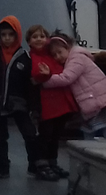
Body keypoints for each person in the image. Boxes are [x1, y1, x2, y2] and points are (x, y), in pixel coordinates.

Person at [0, 15, 48, 180]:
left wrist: (34, 107)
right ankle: (3, 166)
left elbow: (31, 85)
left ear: (17, 35)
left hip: (19, 103)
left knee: (29, 134)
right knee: (0, 137)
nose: (7, 38)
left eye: (11, 34)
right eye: (3, 35)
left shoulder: (25, 58)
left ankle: (33, 164)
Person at [38, 31, 106, 142]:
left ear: (68, 47)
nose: (58, 57)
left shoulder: (76, 59)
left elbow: (67, 78)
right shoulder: (73, 59)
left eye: (60, 52)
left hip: (99, 102)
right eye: (54, 55)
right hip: (97, 101)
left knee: (101, 132)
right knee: (95, 132)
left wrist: (45, 81)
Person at [27, 24, 77, 177]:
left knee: (56, 134)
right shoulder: (32, 57)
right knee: (45, 135)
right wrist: (45, 75)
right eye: (35, 37)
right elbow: (35, 77)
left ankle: (52, 162)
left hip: (59, 102)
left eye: (42, 36)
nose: (39, 39)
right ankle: (41, 164)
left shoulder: (52, 54)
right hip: (46, 104)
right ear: (29, 41)